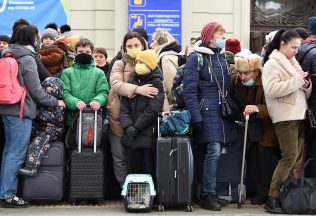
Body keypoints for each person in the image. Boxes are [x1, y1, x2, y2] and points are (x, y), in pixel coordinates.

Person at [0, 24, 65, 208]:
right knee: (17, 152)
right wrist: (55, 101)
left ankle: (3, 192)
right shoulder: (27, 59)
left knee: (8, 151)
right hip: (21, 111)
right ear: (31, 39)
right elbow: (36, 91)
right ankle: (8, 195)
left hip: (6, 108)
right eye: (37, 37)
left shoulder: (8, 54)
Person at [183, 21, 238, 211]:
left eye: (224, 33)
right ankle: (206, 194)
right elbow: (189, 91)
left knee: (216, 151)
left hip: (221, 112)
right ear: (209, 37)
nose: (223, 37)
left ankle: (211, 192)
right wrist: (195, 116)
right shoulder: (196, 58)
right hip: (206, 111)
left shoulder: (222, 58)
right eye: (219, 34)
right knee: (213, 150)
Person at [262, 29, 311, 214]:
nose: (296, 51)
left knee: (296, 158)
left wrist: (306, 84)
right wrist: (297, 82)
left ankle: (287, 196)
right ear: (282, 44)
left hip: (298, 113)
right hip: (285, 115)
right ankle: (273, 197)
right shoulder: (272, 63)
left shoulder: (291, 60)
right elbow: (272, 89)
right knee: (289, 156)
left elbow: (299, 85)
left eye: (298, 47)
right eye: (293, 47)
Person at [106, 31, 158, 187]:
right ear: (124, 48)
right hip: (118, 117)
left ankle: (143, 191)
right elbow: (115, 84)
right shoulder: (119, 63)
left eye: (136, 45)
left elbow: (160, 89)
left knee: (141, 157)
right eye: (129, 46)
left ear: (143, 45)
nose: (133, 48)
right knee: (120, 156)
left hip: (142, 120)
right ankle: (125, 189)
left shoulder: (151, 62)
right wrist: (137, 89)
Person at [231, 53, 279, 205]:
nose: (243, 77)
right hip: (250, 126)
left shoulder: (267, 81)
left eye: (247, 73)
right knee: (251, 159)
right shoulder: (236, 81)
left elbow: (275, 107)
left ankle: (265, 193)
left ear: (256, 72)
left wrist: (257, 108)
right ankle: (255, 190)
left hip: (268, 126)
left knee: (264, 158)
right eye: (240, 73)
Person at [120, 50, 164, 175]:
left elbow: (153, 108)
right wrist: (128, 126)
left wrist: (137, 127)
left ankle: (148, 194)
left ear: (150, 65)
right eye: (137, 61)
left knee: (147, 167)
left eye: (142, 62)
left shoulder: (156, 82)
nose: (138, 64)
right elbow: (124, 107)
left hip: (147, 132)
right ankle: (132, 194)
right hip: (130, 134)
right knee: (132, 168)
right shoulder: (132, 81)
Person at [19, 77, 65, 176]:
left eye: (49, 90)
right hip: (41, 129)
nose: (46, 92)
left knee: (40, 141)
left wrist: (39, 113)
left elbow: (56, 119)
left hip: (53, 131)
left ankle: (31, 166)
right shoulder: (42, 102)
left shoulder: (59, 103)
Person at [61, 38, 109, 128]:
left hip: (92, 119)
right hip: (72, 119)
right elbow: (65, 93)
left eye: (87, 52)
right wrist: (75, 102)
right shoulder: (67, 72)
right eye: (80, 51)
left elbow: (103, 92)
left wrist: (98, 101)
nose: (84, 54)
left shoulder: (99, 73)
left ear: (92, 53)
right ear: (75, 53)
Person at [296, 16, 316, 177]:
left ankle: (306, 185)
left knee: (306, 148)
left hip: (301, 106)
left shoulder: (298, 49)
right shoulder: (314, 52)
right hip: (314, 107)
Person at [150, 28, 183, 106]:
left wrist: (170, 106)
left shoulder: (166, 58)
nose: (151, 45)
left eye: (153, 41)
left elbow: (170, 86)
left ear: (160, 42)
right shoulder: (172, 55)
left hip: (171, 106)